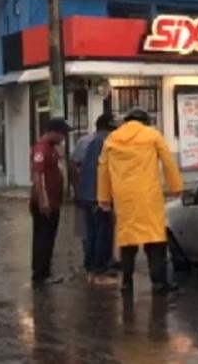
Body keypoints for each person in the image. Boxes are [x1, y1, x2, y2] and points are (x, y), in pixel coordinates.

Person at [97, 108, 184, 295]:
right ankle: (159, 283)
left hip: (124, 199)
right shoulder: (152, 136)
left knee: (128, 242)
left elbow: (102, 169)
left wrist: (103, 197)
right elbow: (168, 161)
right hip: (148, 196)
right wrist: (176, 186)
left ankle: (127, 283)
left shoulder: (112, 139)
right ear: (145, 121)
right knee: (154, 241)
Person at [75, 113, 118, 286]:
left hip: (88, 195)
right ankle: (100, 272)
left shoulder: (92, 141)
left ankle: (91, 270)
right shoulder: (107, 142)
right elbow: (106, 171)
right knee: (103, 234)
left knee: (92, 234)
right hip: (100, 196)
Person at [30, 117, 71, 286]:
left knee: (48, 237)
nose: (64, 138)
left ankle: (44, 271)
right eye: (62, 134)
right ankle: (40, 274)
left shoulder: (53, 149)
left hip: (54, 201)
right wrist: (43, 200)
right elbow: (37, 176)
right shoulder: (41, 149)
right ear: (53, 132)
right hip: (45, 202)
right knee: (43, 238)